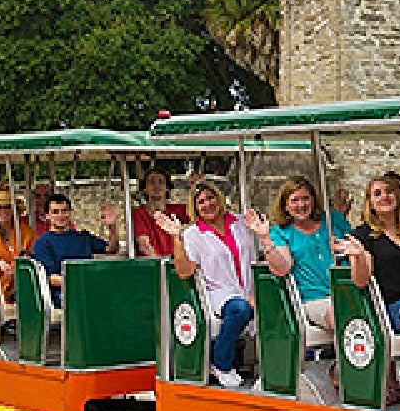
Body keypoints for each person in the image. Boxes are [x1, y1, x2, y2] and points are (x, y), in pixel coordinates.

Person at [159, 180, 266, 390]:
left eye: (211, 198)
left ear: (219, 198)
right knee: (239, 309)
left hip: (248, 287)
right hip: (218, 292)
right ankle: (220, 362)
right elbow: (184, 271)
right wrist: (176, 238)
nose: (207, 204)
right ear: (195, 208)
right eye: (201, 202)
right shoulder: (193, 234)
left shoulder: (240, 223)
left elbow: (259, 253)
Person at [334, 172, 400, 403]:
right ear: (370, 202)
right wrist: (360, 256)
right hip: (392, 306)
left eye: (389, 191)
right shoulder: (364, 235)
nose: (385, 197)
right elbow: (361, 280)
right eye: (377, 194)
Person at [258, 176, 340, 330]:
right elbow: (282, 268)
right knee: (339, 315)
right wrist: (265, 239)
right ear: (286, 206)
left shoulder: (332, 220)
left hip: (344, 292)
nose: (301, 205)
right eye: (295, 200)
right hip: (314, 298)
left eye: (305, 199)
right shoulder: (281, 232)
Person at [29, 193, 122, 300]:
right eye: (55, 212)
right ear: (47, 216)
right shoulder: (42, 243)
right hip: (64, 295)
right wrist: (81, 282)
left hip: (89, 290)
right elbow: (50, 278)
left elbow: (112, 249)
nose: (61, 215)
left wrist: (113, 226)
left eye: (64, 211)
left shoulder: (82, 237)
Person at [131, 166, 189, 258]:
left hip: (178, 264)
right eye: (152, 182)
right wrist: (160, 265)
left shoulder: (180, 210)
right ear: (145, 188)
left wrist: (196, 185)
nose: (156, 186)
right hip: (154, 265)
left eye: (161, 182)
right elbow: (144, 245)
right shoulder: (139, 214)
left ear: (167, 188)